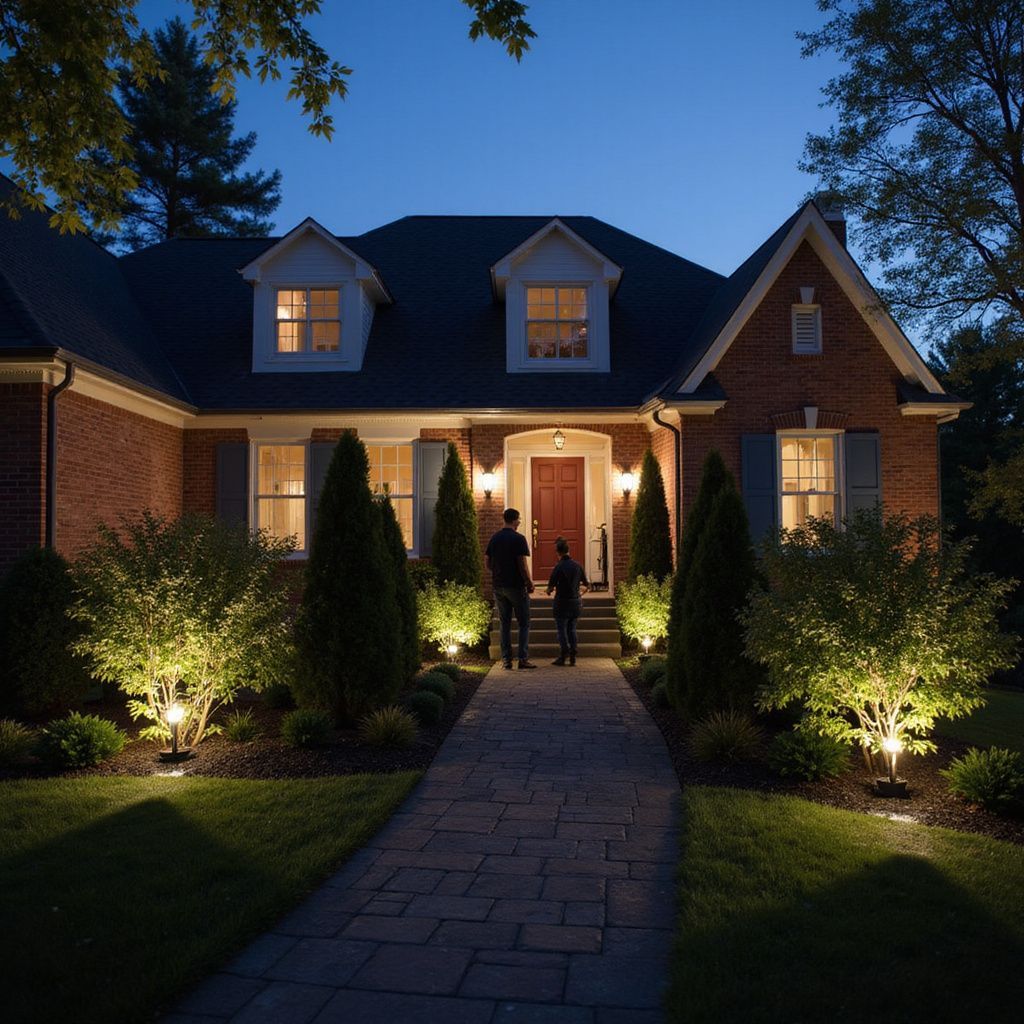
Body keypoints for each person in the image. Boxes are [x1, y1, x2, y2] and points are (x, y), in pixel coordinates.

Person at [485, 508, 536, 670]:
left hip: (498, 587)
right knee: (524, 623)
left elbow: (487, 561)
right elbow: (521, 563)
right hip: (516, 586)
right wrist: (529, 582)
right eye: (519, 519)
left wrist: (498, 572)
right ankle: (522, 659)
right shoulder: (518, 539)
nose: (520, 522)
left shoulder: (495, 538)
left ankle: (506, 660)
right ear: (514, 520)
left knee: (504, 624)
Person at [546, 537, 590, 666]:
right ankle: (573, 654)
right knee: (572, 629)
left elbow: (550, 588)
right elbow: (587, 585)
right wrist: (580, 593)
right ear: (568, 550)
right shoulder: (577, 566)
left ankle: (563, 654)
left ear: (558, 553)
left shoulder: (558, 567)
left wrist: (548, 591)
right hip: (575, 601)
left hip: (561, 602)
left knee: (562, 630)